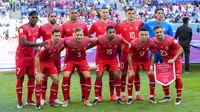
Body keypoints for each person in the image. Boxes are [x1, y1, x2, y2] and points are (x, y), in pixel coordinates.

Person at [15, 11, 47, 109]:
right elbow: (24, 42)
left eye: (36, 17)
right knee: (20, 78)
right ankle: (19, 102)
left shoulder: (37, 28)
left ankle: (29, 100)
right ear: (29, 18)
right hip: (21, 57)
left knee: (32, 78)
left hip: (31, 57)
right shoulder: (22, 28)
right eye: (33, 17)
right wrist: (40, 44)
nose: (35, 19)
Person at [93, 25, 130, 105]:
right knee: (99, 75)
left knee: (117, 75)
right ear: (106, 33)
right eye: (110, 32)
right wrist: (84, 48)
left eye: (113, 32)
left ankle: (118, 97)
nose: (112, 34)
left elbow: (127, 43)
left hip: (112, 59)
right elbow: (93, 44)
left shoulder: (118, 38)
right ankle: (96, 97)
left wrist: (132, 46)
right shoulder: (100, 38)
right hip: (101, 59)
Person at [62, 28, 96, 107]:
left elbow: (96, 40)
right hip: (70, 61)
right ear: (74, 35)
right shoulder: (67, 40)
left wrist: (87, 48)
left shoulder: (86, 40)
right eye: (77, 35)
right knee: (65, 77)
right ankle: (65, 100)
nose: (79, 37)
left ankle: (86, 100)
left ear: (83, 36)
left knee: (88, 77)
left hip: (82, 61)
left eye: (81, 35)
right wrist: (56, 54)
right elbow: (61, 45)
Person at [89, 6, 117, 101]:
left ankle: (112, 95)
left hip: (112, 54)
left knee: (112, 74)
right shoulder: (95, 24)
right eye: (103, 12)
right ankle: (98, 95)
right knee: (99, 75)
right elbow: (88, 34)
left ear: (109, 13)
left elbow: (117, 36)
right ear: (100, 13)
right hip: (100, 55)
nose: (105, 14)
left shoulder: (113, 24)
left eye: (106, 12)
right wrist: (96, 40)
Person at [116, 7, 144, 101]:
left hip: (136, 54)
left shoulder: (139, 23)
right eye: (129, 13)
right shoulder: (121, 25)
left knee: (136, 73)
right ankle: (123, 94)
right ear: (126, 14)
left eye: (133, 13)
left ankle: (137, 94)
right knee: (123, 73)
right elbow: (117, 37)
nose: (131, 15)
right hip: (125, 53)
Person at [62, 8, 89, 102]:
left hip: (81, 55)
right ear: (69, 14)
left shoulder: (83, 25)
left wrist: (86, 48)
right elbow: (61, 40)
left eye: (75, 13)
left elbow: (87, 38)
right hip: (69, 55)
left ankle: (84, 96)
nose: (74, 14)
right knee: (67, 76)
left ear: (78, 14)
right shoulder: (64, 25)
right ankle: (67, 98)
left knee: (83, 75)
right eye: (72, 13)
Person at [153, 26, 183, 105]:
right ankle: (167, 96)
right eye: (157, 32)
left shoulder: (170, 39)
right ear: (154, 33)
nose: (159, 34)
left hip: (176, 60)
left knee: (177, 77)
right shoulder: (154, 40)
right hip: (166, 61)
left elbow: (181, 49)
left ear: (163, 31)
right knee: (163, 77)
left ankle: (178, 97)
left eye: (160, 32)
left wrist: (173, 59)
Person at [37, 11, 63, 105]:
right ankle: (43, 98)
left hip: (56, 56)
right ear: (48, 17)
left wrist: (59, 51)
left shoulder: (60, 28)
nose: (53, 17)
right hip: (45, 56)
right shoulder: (42, 27)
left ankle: (54, 98)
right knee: (44, 77)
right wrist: (38, 49)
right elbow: (36, 38)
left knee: (56, 77)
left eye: (55, 16)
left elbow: (63, 41)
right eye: (51, 16)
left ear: (57, 17)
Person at [34, 29, 64, 110]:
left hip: (50, 62)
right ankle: (38, 103)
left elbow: (67, 41)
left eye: (59, 36)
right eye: (56, 36)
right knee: (39, 79)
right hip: (41, 62)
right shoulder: (46, 44)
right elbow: (37, 57)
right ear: (52, 36)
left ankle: (51, 101)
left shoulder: (60, 42)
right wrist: (39, 72)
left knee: (56, 79)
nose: (58, 37)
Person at [127, 27, 157, 104]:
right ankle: (130, 97)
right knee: (131, 76)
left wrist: (151, 66)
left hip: (145, 60)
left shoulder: (151, 42)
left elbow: (153, 55)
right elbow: (129, 56)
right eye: (142, 34)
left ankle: (151, 97)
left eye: (146, 34)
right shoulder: (133, 43)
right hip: (134, 61)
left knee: (151, 76)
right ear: (138, 35)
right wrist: (130, 68)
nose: (144, 36)